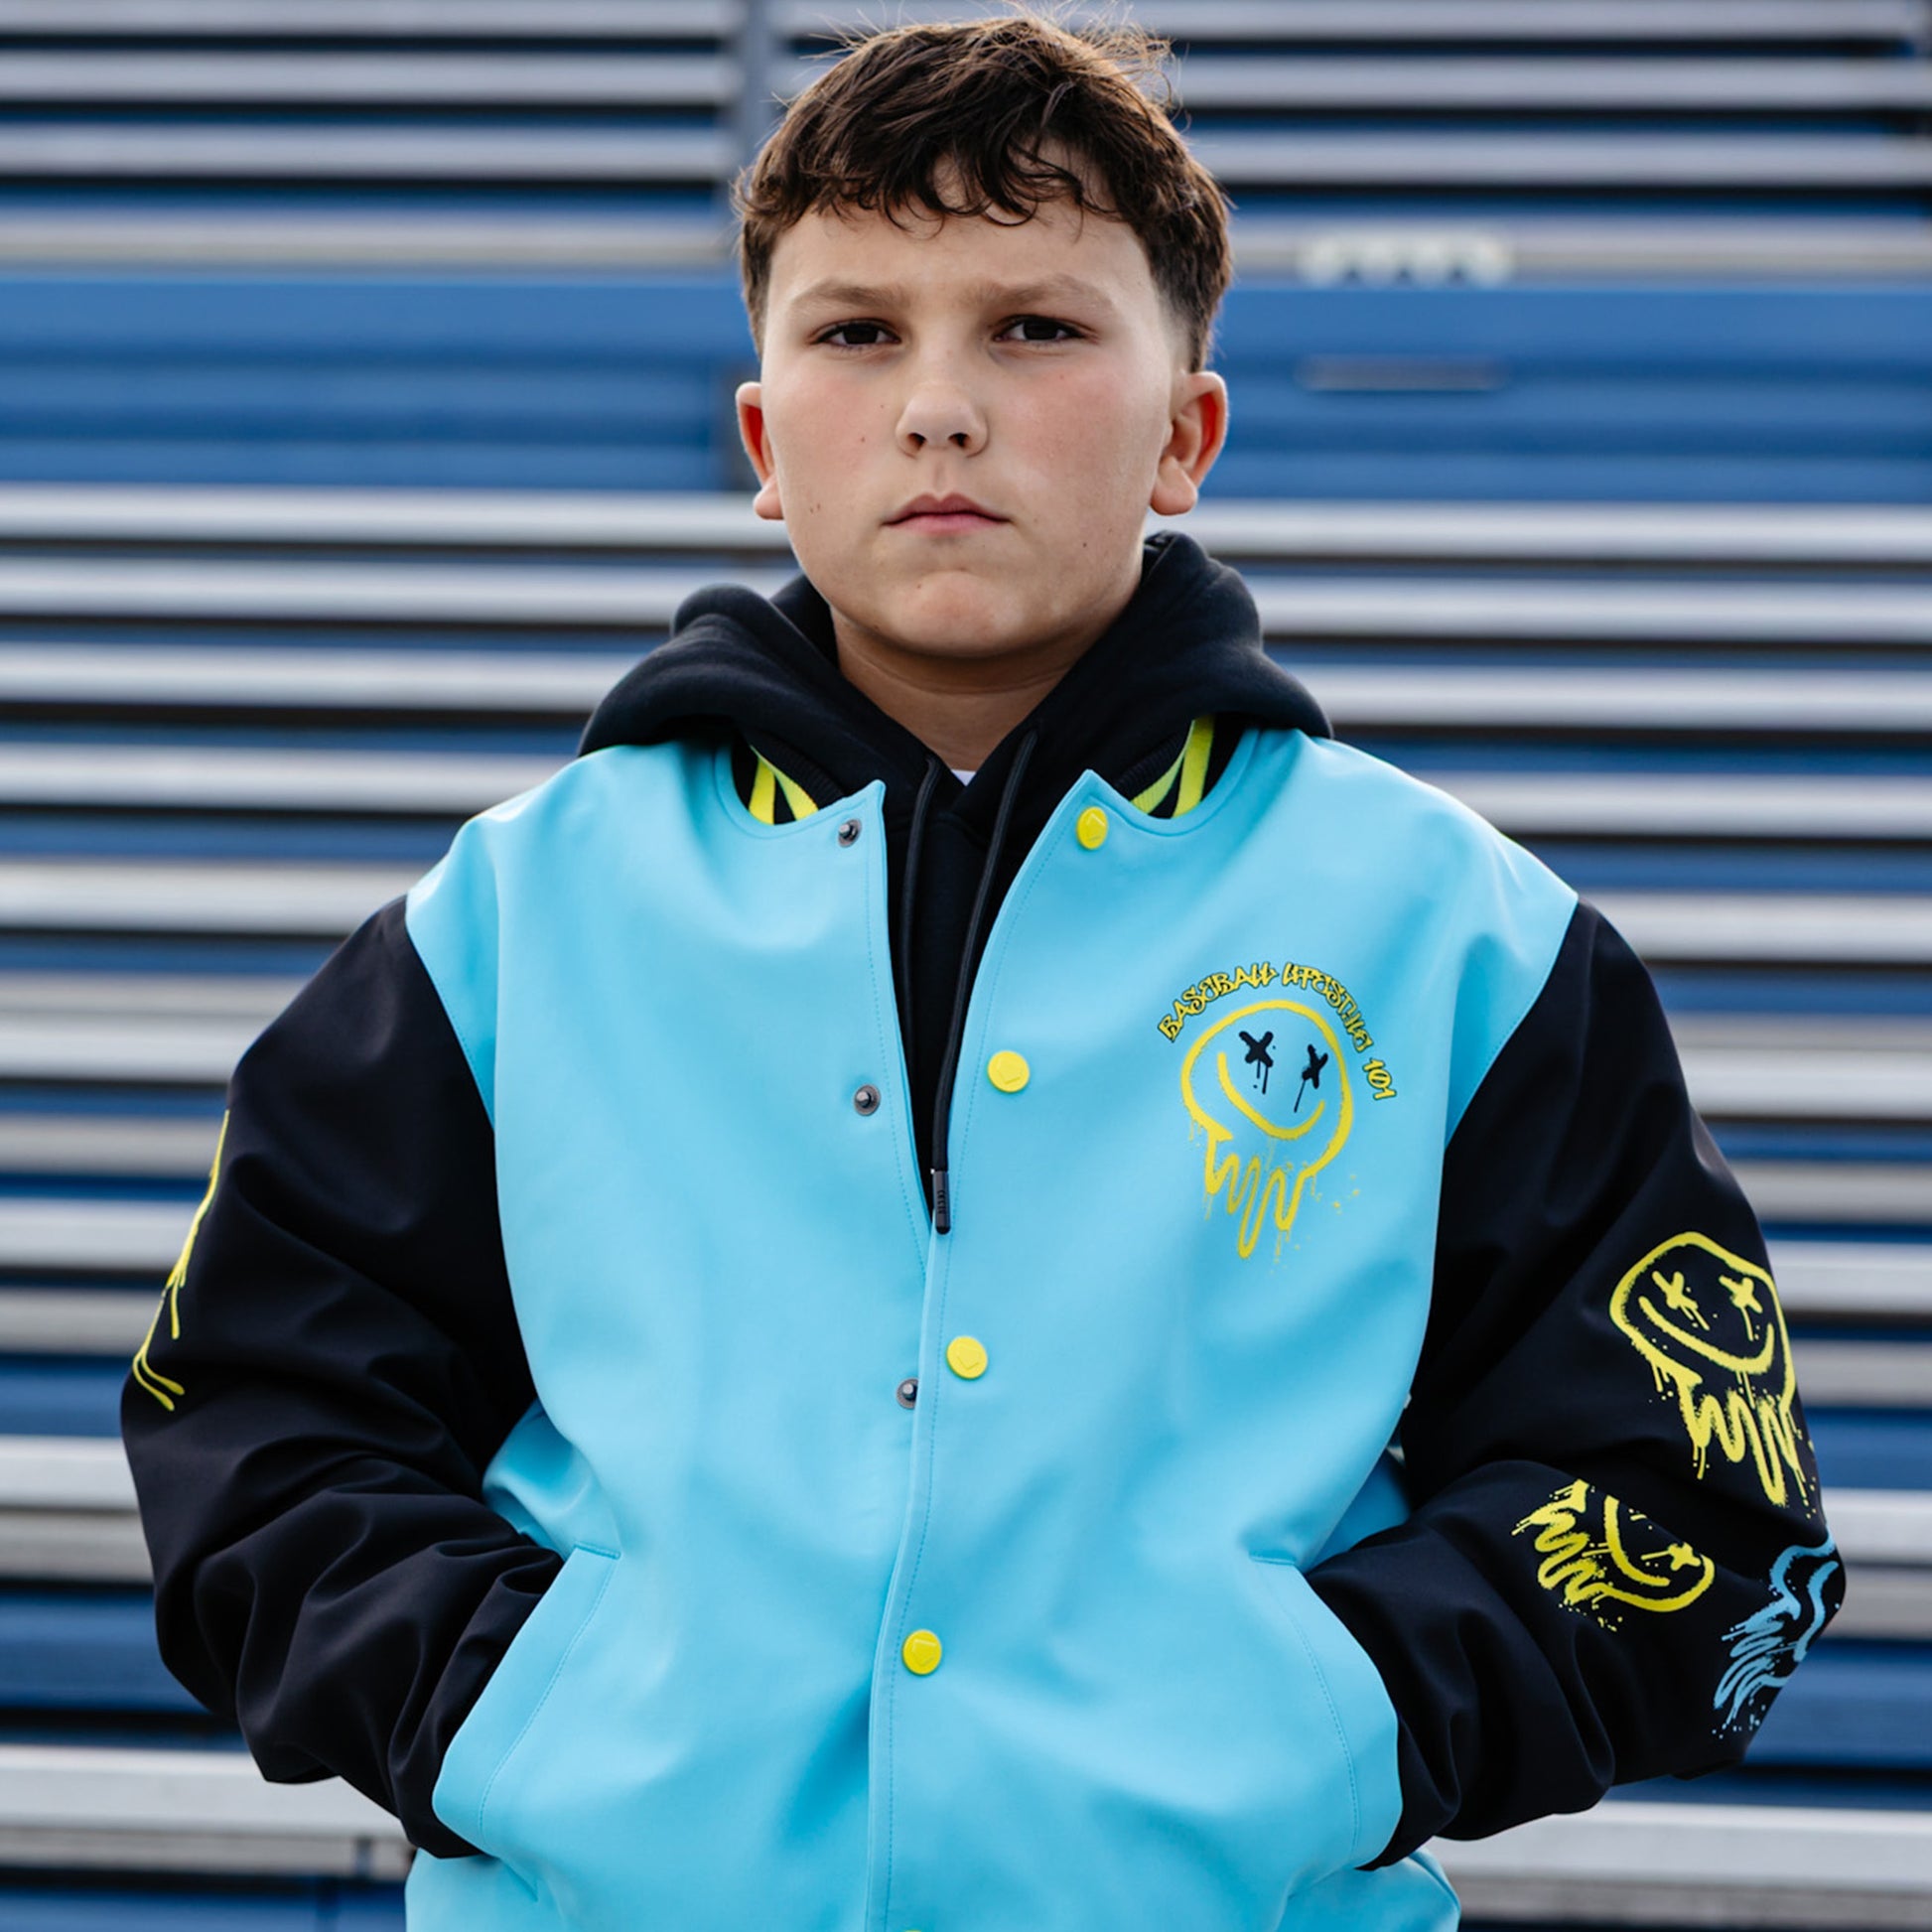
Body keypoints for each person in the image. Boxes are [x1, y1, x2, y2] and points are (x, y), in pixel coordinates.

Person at [120, 12, 1842, 1930]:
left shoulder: (1456, 936)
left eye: (1034, 327)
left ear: (1184, 429)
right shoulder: (515, 923)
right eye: (860, 331)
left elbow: (1700, 1508)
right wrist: (514, 1709)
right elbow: (258, 1417)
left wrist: (1327, 1721)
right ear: (765, 441)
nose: (940, 404)